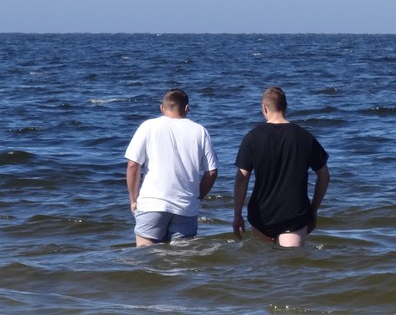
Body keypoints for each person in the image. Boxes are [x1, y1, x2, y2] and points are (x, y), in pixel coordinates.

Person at [233, 86, 330, 247]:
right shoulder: (304, 137)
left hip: (261, 215)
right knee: (291, 261)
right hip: (294, 214)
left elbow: (242, 178)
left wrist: (237, 214)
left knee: (263, 260)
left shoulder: (252, 137)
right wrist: (313, 209)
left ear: (264, 108)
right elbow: (324, 175)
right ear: (285, 107)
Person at [125, 88, 219, 246]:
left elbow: (133, 165)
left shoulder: (148, 126)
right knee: (180, 259)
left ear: (162, 108)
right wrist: (197, 197)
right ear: (187, 108)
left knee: (146, 257)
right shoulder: (200, 131)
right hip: (185, 207)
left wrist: (133, 200)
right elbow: (212, 171)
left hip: (152, 204)